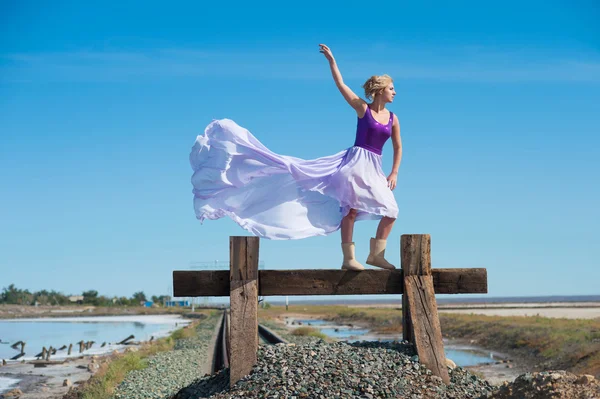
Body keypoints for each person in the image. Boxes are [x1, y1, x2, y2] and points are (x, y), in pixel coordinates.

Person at [189, 44, 402, 271]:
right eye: (391, 88)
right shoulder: (363, 109)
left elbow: (398, 147)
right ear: (380, 91)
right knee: (350, 210)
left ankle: (376, 255)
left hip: (375, 167)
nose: (394, 92)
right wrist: (332, 61)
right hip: (355, 164)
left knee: (391, 211)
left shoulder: (393, 118)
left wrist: (394, 172)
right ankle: (348, 259)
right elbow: (341, 85)